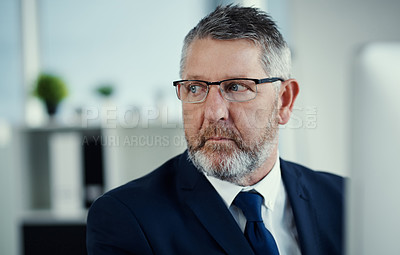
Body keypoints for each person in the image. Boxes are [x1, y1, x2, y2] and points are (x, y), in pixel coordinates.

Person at [87, 5, 344, 255]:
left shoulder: (346, 201)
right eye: (195, 88)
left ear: (284, 101)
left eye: (236, 87)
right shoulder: (127, 218)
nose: (213, 112)